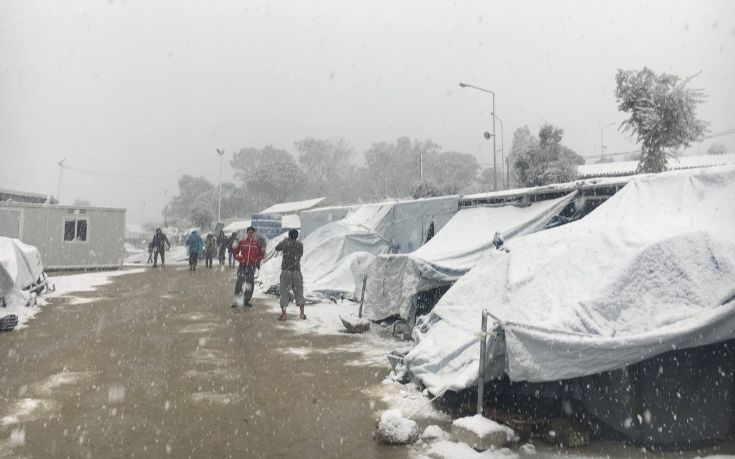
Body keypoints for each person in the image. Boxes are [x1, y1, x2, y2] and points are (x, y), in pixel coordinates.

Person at [274, 229, 306, 321]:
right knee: (299, 292)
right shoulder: (300, 245)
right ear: (296, 236)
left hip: (286, 271)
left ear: (289, 235)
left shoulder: (285, 244)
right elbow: (300, 255)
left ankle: (284, 315)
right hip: (296, 271)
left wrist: (285, 241)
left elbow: (277, 248)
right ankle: (302, 314)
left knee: (284, 293)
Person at [232, 226, 264, 307]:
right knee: (239, 283)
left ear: (254, 234)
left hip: (251, 267)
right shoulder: (242, 242)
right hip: (242, 266)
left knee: (249, 284)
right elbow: (235, 252)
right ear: (247, 233)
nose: (250, 234)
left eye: (252, 233)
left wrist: (257, 260)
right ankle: (237, 301)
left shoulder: (256, 244)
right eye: (249, 232)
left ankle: (246, 300)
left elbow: (261, 253)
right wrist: (239, 258)